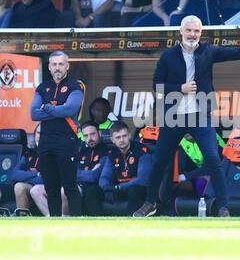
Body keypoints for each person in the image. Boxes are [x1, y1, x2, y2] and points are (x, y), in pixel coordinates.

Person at [133, 15, 240, 217]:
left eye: (197, 31)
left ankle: (223, 206)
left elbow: (238, 53)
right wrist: (180, 88)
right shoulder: (168, 56)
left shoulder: (208, 51)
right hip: (173, 117)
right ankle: (150, 203)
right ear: (181, 31)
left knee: (212, 159)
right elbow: (156, 86)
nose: (193, 35)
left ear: (201, 33)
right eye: (189, 30)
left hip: (200, 115)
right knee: (159, 161)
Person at [30, 51, 83, 217]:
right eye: (54, 64)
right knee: (51, 187)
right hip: (46, 142)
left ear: (67, 66)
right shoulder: (42, 87)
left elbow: (70, 109)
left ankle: (77, 223)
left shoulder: (75, 86)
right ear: (49, 67)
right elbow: (33, 114)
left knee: (69, 186)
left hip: (67, 141)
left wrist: (48, 107)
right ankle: (54, 222)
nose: (57, 67)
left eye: (61, 64)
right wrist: (58, 110)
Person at [87, 121, 149, 215]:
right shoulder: (112, 154)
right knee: (91, 191)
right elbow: (104, 178)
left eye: (124, 136)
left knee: (135, 190)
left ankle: (130, 222)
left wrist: (119, 187)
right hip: (118, 189)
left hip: (135, 189)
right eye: (118, 137)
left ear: (129, 135)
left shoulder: (141, 150)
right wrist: (106, 188)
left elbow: (143, 180)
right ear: (112, 140)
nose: (121, 140)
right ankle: (99, 222)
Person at [11, 123, 43, 213]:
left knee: (36, 189)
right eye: (39, 133)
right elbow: (14, 175)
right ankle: (23, 216)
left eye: (44, 134)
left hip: (46, 189)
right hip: (31, 186)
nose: (40, 137)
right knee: (19, 186)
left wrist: (27, 177)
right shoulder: (29, 152)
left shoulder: (53, 154)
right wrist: (35, 174)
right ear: (34, 135)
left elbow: (46, 179)